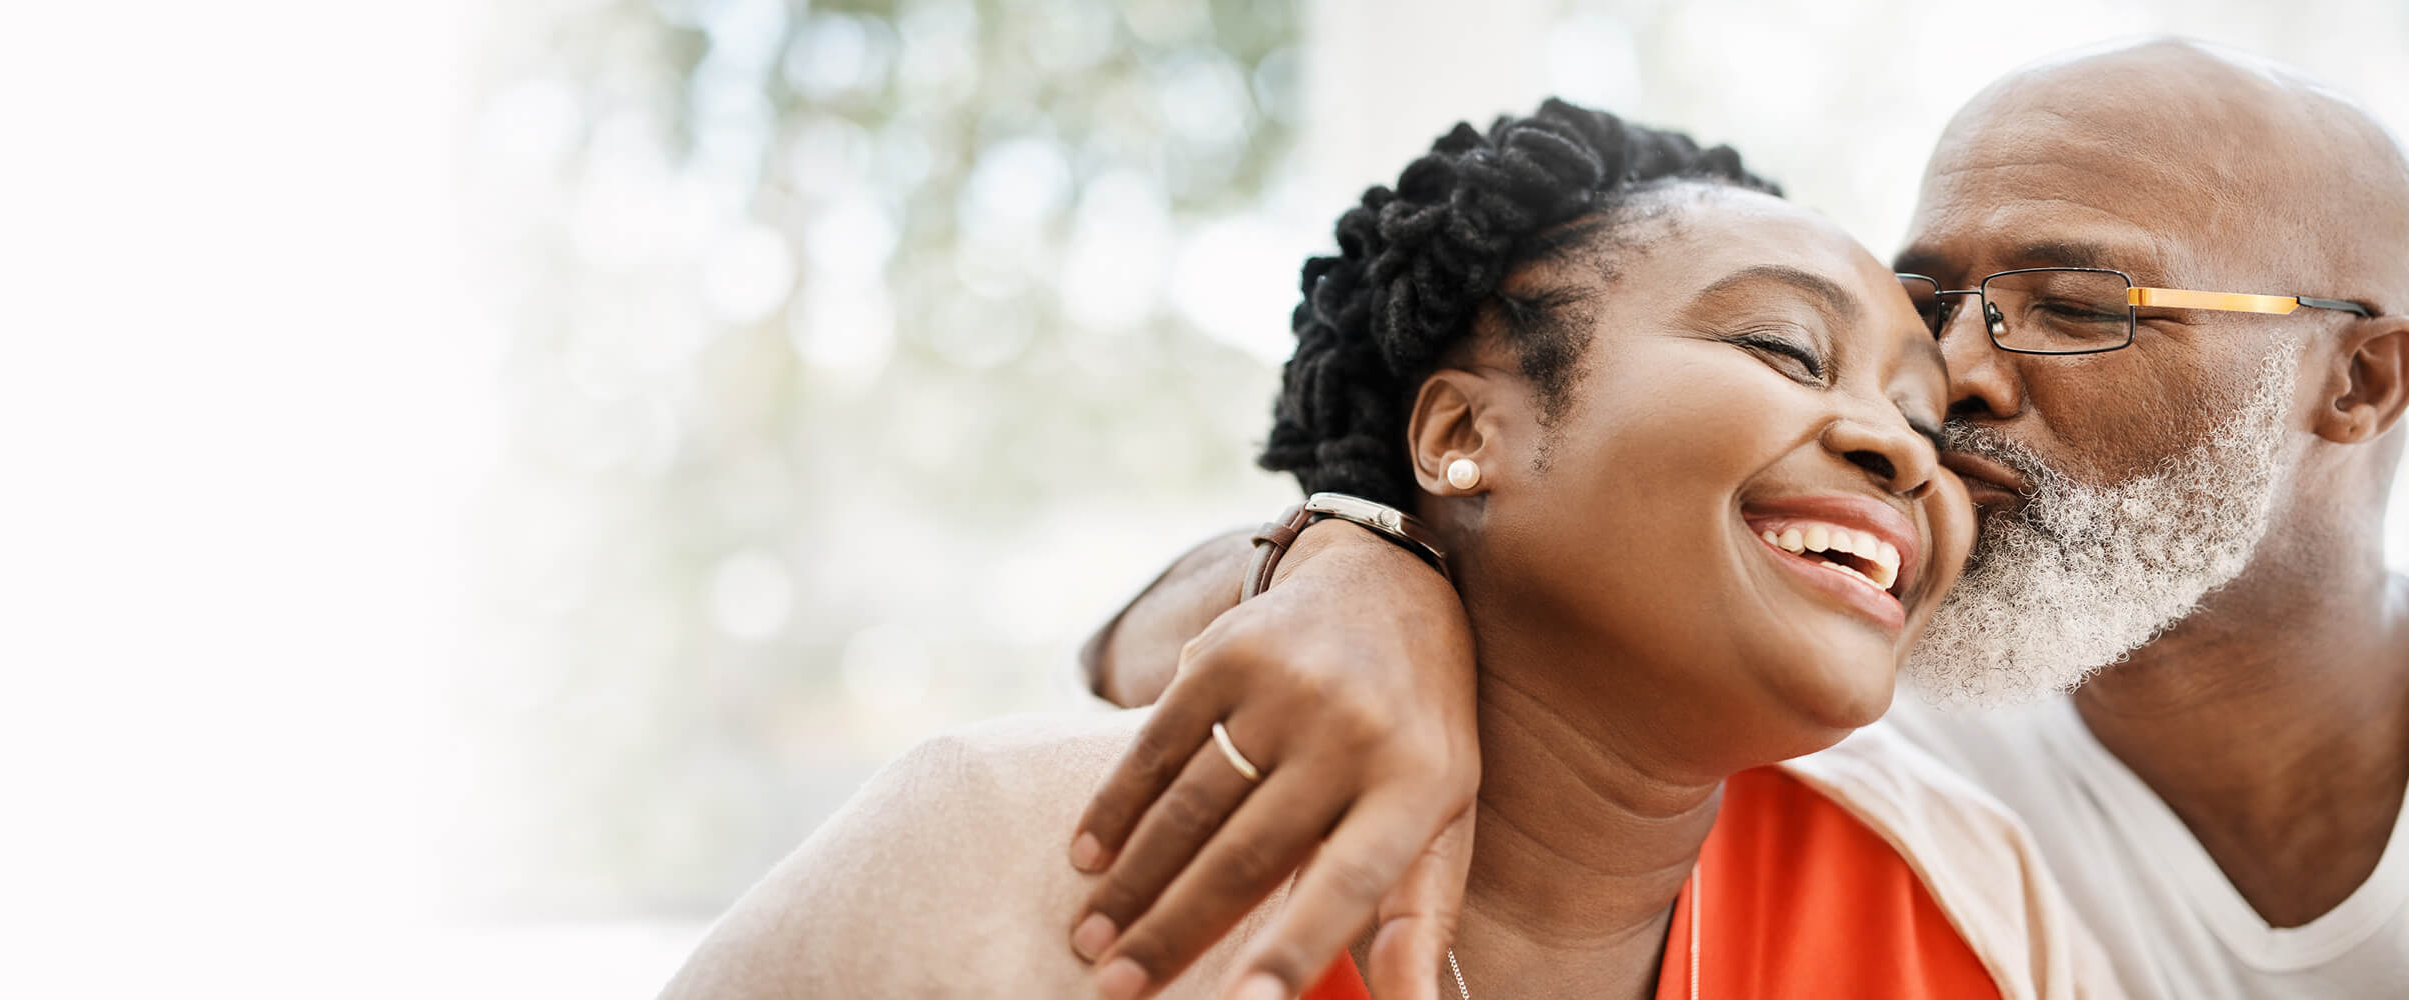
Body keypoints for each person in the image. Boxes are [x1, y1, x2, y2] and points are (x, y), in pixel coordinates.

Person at [664, 101, 2114, 999]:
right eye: (1787, 348)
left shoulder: (1967, 898)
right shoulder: (1018, 847)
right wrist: (1337, 552)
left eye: (1922, 418)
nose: (1903, 452)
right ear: (1463, 434)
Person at [1070, 38, 2409, 1000]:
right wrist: (1360, 567)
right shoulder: (1836, 697)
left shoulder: (1928, 829)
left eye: (2074, 308)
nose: (1954, 385)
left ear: (2358, 382)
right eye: (1929, 309)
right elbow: (1124, 652)